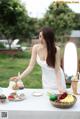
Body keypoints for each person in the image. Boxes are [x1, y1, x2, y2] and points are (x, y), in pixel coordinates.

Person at [10, 27, 66, 93]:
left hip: (58, 79)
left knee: (60, 97)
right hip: (46, 79)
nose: (41, 40)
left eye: (44, 37)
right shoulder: (36, 48)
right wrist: (19, 77)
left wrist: (59, 86)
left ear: (49, 38)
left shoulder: (56, 49)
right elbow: (30, 66)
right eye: (40, 36)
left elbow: (57, 70)